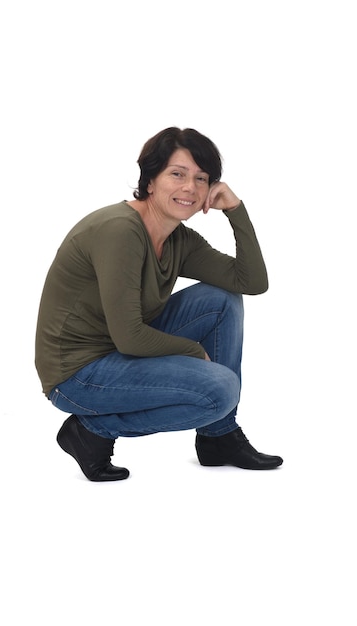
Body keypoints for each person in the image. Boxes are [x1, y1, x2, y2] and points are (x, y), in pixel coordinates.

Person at [35, 127, 283, 482]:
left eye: (202, 178)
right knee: (220, 389)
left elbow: (252, 282)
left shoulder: (178, 239)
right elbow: (130, 338)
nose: (191, 188)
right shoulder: (119, 230)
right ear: (150, 180)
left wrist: (236, 211)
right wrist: (195, 353)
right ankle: (91, 430)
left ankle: (219, 437)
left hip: (118, 351)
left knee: (222, 299)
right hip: (79, 375)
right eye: (177, 174)